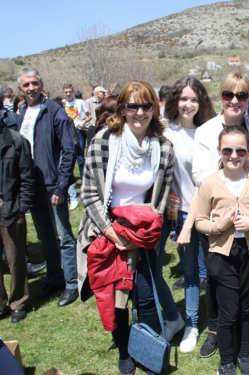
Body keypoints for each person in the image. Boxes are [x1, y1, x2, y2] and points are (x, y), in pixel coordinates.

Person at [77, 80, 175, 375]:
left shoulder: (163, 148)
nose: (139, 112)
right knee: (115, 299)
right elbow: (89, 192)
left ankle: (145, 350)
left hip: (143, 234)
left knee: (145, 296)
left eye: (146, 105)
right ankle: (124, 351)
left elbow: (159, 199)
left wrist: (141, 236)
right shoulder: (103, 141)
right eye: (132, 105)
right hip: (106, 230)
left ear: (153, 109)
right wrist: (110, 231)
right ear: (122, 108)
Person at [196, 125, 249, 375]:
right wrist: (218, 226)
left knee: (247, 308)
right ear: (219, 151)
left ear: (247, 151)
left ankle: (243, 356)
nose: (233, 155)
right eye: (227, 150)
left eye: (240, 150)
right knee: (229, 311)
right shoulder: (209, 182)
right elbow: (199, 221)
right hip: (222, 255)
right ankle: (226, 361)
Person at [192, 72, 249, 359]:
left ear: (248, 99)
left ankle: (243, 330)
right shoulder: (206, 130)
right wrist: (232, 169)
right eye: (228, 94)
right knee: (217, 277)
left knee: (246, 277)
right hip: (217, 218)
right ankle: (215, 330)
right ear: (220, 96)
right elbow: (197, 174)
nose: (234, 100)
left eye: (241, 95)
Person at [160, 77, 215, 353]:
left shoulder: (209, 132)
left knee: (217, 273)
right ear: (174, 101)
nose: (188, 104)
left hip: (212, 215)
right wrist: (173, 221)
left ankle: (219, 326)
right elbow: (167, 183)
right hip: (181, 215)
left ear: (202, 102)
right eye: (183, 98)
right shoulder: (165, 134)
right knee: (191, 272)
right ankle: (192, 325)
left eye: (194, 99)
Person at [17, 68, 79, 307]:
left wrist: (62, 186)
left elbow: (69, 149)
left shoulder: (54, 111)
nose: (31, 88)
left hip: (53, 186)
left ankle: (72, 283)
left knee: (63, 236)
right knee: (45, 238)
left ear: (41, 85)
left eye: (34, 83)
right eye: (26, 85)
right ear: (21, 89)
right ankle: (55, 278)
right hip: (31, 187)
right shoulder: (21, 112)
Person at [0, 98, 35, 323]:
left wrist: (21, 206)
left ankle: (18, 302)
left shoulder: (16, 141)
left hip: (10, 209)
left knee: (15, 259)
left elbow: (27, 178)